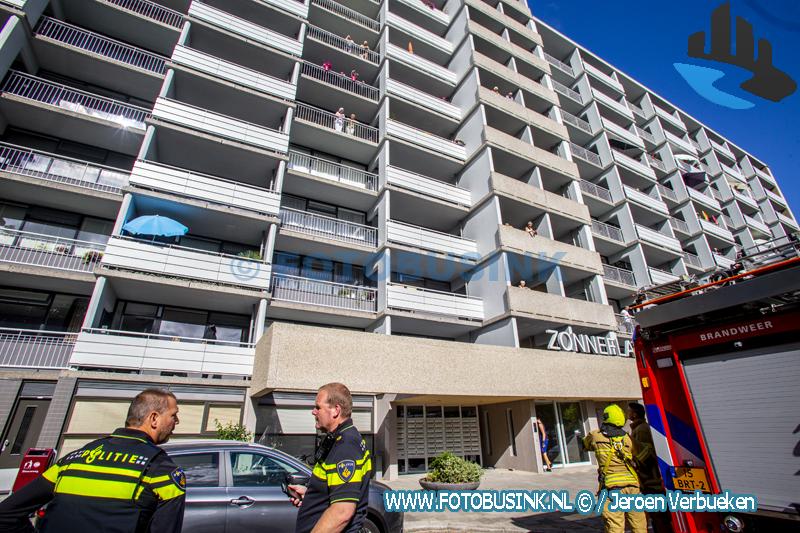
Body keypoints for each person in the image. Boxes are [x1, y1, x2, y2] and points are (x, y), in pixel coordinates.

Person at [0, 389, 185, 533]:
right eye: (173, 415)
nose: (176, 421)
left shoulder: (72, 459)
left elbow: (6, 514)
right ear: (154, 418)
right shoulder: (162, 471)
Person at [288, 383, 372, 533]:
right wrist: (312, 495)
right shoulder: (339, 439)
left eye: (318, 407)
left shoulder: (346, 446)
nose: (313, 412)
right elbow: (337, 489)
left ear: (336, 410)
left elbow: (342, 512)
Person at [583, 405, 647, 533]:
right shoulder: (628, 438)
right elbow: (644, 455)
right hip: (632, 487)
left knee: (615, 527)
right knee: (639, 526)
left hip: (612, 488)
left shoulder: (596, 436)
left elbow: (585, 445)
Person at [627, 403, 673, 533]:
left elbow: (645, 456)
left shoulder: (641, 430)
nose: (627, 413)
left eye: (629, 411)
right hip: (649, 481)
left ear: (635, 414)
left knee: (658, 516)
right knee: (656, 515)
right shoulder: (638, 428)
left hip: (651, 482)